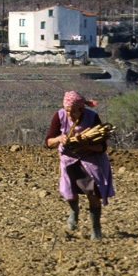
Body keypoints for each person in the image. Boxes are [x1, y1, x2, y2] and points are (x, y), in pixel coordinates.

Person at [45, 90, 114, 240]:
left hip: (90, 161)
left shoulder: (92, 117)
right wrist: (59, 139)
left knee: (93, 195)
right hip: (69, 160)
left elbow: (102, 147)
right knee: (71, 192)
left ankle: (96, 228)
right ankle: (74, 210)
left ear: (81, 109)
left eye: (73, 112)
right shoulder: (59, 116)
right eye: (67, 111)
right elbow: (49, 142)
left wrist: (86, 146)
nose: (70, 115)